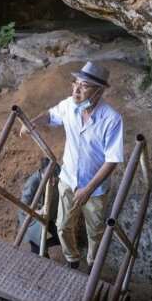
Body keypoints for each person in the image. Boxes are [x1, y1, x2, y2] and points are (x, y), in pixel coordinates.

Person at [20, 61, 124, 270]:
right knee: (62, 225)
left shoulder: (112, 119)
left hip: (94, 189)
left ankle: (93, 266)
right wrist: (32, 122)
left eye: (84, 86)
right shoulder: (69, 105)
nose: (76, 90)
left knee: (95, 230)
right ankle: (72, 259)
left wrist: (88, 189)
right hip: (68, 180)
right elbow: (51, 114)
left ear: (99, 91)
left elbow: (112, 160)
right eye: (75, 83)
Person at [18, 158, 61, 256]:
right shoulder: (32, 183)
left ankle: (43, 245)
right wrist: (40, 212)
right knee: (40, 253)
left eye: (55, 180)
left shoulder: (54, 179)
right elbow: (23, 207)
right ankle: (39, 251)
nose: (53, 184)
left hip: (49, 217)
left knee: (61, 237)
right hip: (33, 221)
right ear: (45, 176)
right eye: (52, 181)